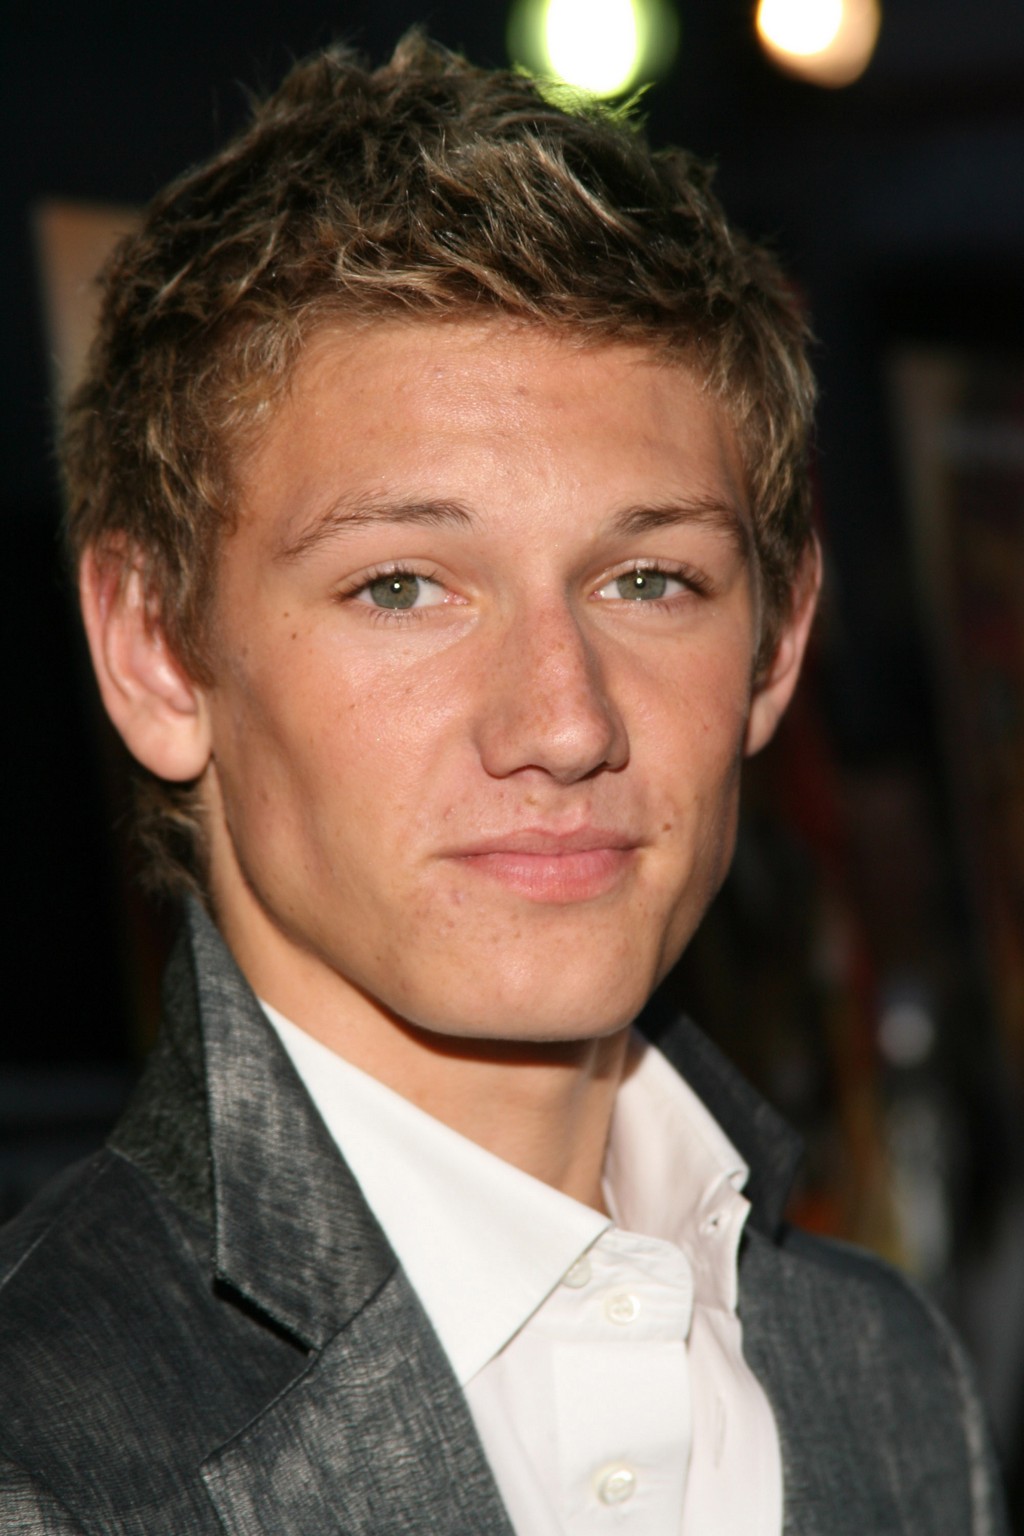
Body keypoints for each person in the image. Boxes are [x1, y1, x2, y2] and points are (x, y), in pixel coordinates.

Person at [0, 31, 1008, 1536]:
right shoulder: (38, 1449)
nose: (564, 721)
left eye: (651, 580)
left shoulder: (890, 1382)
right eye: (403, 585)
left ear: (779, 645)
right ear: (154, 652)